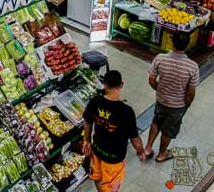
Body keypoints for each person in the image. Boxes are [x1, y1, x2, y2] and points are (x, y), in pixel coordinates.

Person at [83, 70, 145, 192]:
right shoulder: (126, 111)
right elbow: (134, 138)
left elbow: (87, 122)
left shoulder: (96, 101)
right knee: (111, 187)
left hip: (97, 150)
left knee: (98, 177)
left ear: (105, 86)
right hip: (114, 159)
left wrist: (87, 140)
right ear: (121, 85)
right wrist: (141, 151)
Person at [145, 33, 199, 163]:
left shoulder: (160, 58)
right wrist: (186, 104)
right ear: (187, 45)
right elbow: (191, 93)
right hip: (177, 106)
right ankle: (162, 154)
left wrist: (159, 89)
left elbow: (151, 79)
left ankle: (147, 148)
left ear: (172, 42)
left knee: (156, 122)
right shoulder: (192, 66)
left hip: (161, 100)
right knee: (168, 130)